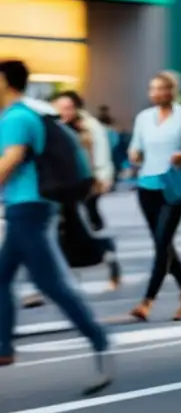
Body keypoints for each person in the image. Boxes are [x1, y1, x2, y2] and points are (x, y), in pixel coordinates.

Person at [0, 59, 113, 393]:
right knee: (2, 278)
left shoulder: (17, 117)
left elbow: (11, 159)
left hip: (29, 208)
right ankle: (4, 348)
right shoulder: (23, 114)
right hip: (26, 207)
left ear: (5, 81)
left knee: (49, 283)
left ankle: (99, 339)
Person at [127, 71, 181, 322]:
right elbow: (135, 145)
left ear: (173, 91)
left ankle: (146, 302)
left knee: (162, 244)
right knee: (165, 245)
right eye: (153, 89)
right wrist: (134, 154)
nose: (157, 93)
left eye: (163, 88)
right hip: (146, 187)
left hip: (173, 188)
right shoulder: (143, 118)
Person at [52, 91, 122, 289]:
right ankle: (99, 250)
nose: (62, 111)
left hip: (83, 185)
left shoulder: (87, 129)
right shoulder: (57, 127)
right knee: (71, 231)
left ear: (76, 109)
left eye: (66, 108)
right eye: (58, 107)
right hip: (63, 188)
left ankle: (103, 248)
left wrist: (101, 178)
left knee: (75, 230)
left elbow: (99, 155)